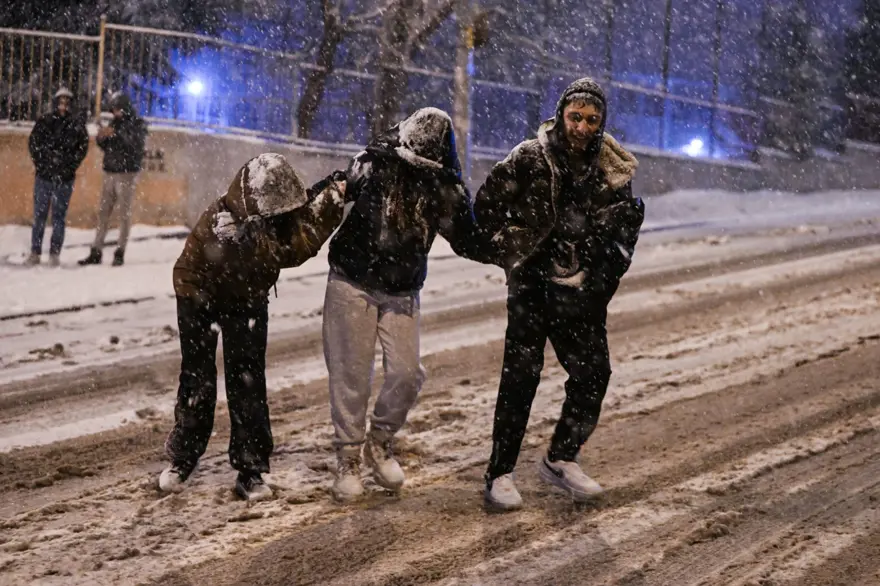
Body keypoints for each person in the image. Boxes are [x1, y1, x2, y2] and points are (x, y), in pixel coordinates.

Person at [474, 78, 645, 510]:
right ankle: (500, 474)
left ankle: (561, 457)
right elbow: (487, 206)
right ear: (561, 115)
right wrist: (512, 252)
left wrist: (600, 283)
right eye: (576, 117)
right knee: (520, 379)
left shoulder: (612, 170)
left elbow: (624, 235)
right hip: (532, 288)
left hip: (581, 293)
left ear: (602, 122)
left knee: (594, 375)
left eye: (592, 119)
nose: (583, 127)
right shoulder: (529, 157)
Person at [158, 153, 346, 501]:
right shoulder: (227, 228)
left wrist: (328, 190)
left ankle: (251, 468)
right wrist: (333, 202)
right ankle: (183, 458)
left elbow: (296, 215)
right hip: (198, 293)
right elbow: (296, 245)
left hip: (246, 296)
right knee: (198, 379)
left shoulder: (263, 215)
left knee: (248, 381)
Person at [324, 107, 484, 501]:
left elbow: (468, 237)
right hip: (351, 279)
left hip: (402, 288)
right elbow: (334, 196)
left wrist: (509, 249)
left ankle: (379, 441)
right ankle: (347, 459)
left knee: (407, 373)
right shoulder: (374, 161)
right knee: (351, 373)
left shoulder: (443, 185)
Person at [79, 91, 148, 267]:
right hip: (109, 171)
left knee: (124, 214)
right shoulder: (115, 123)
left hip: (126, 173)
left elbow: (134, 144)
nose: (115, 113)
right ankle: (96, 250)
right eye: (113, 109)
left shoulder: (136, 124)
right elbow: (108, 146)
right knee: (103, 213)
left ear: (124, 108)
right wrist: (102, 137)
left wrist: (115, 133)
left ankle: (120, 251)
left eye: (117, 109)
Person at [26, 87, 89, 267]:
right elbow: (34, 144)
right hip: (44, 177)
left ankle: (54, 253)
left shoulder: (76, 125)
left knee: (58, 216)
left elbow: (81, 149)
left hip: (64, 179)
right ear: (55, 103)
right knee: (39, 215)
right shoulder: (45, 121)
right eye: (60, 102)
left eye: (67, 102)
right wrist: (43, 164)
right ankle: (35, 252)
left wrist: (67, 167)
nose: (63, 106)